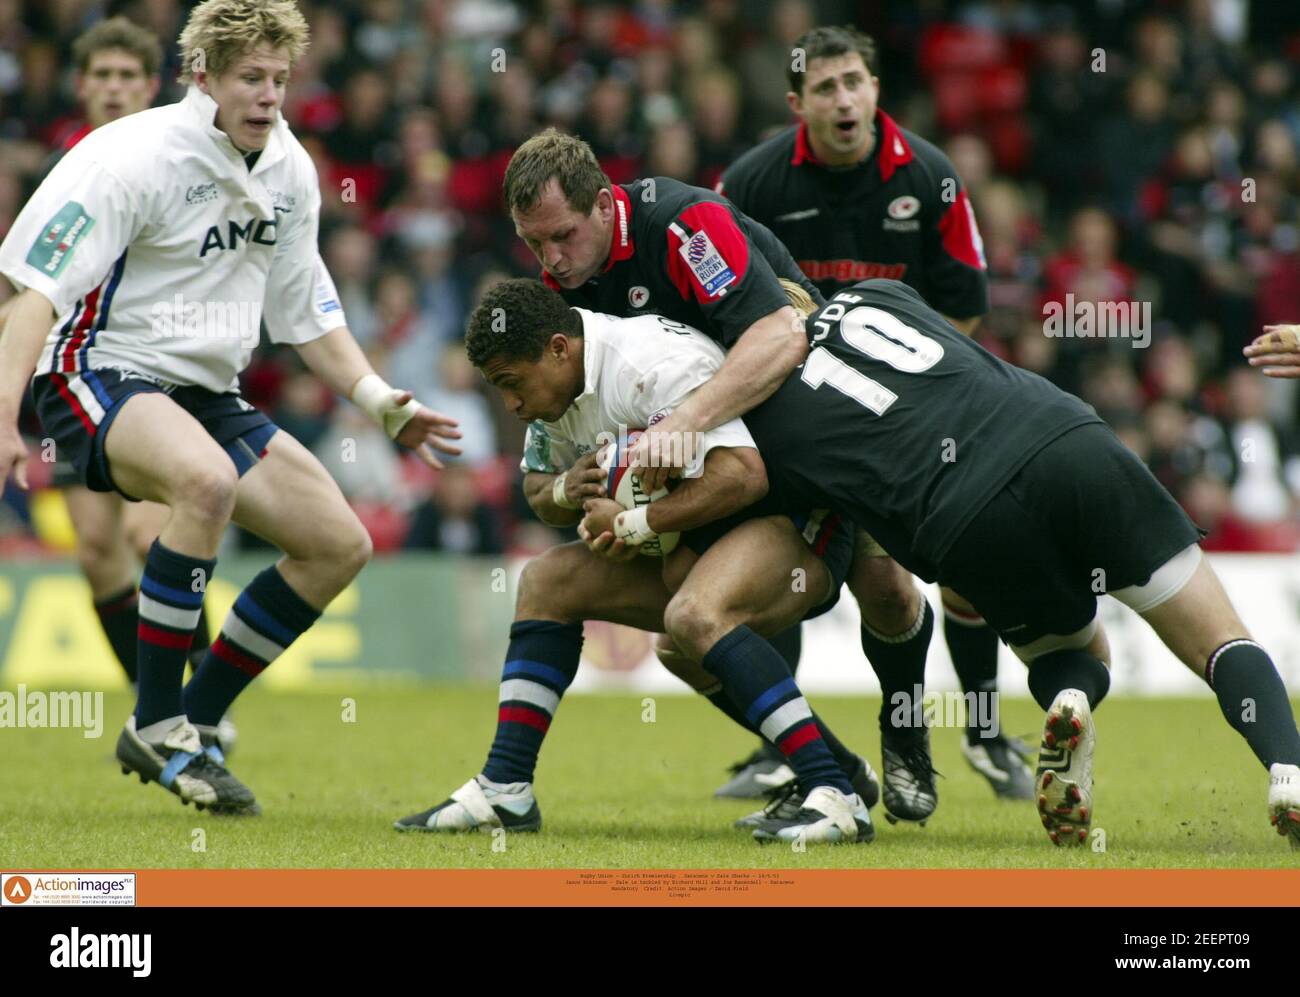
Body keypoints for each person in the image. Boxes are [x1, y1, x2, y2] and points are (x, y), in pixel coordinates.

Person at [0, 0, 460, 814]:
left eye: (280, 79)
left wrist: (381, 401)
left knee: (337, 543)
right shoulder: (126, 157)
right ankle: (160, 719)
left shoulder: (288, 170)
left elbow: (309, 314)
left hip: (209, 391)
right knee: (203, 484)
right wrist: (4, 415)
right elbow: (33, 296)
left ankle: (191, 721)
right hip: (95, 369)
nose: (269, 96)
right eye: (251, 77)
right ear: (200, 75)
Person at [665, 277, 1298, 847]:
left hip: (964, 520)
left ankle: (1071, 696)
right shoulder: (879, 293)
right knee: (1218, 640)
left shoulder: (767, 427)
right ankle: (1288, 771)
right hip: (1063, 439)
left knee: (1067, 654)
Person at [504, 128, 938, 819]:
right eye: (534, 245)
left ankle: (907, 732)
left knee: (885, 585)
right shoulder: (565, 294)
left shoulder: (684, 228)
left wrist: (683, 426)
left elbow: (778, 335)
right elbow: (559, 431)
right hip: (720, 450)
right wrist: (580, 480)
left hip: (808, 422)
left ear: (603, 202)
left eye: (562, 235)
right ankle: (831, 768)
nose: (551, 259)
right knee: (685, 641)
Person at [395, 278, 877, 845]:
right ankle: (505, 790)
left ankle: (835, 795)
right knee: (551, 583)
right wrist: (567, 492)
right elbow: (535, 491)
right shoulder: (551, 395)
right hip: (696, 538)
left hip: (794, 520)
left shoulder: (650, 364)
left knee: (695, 619)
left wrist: (634, 523)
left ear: (558, 348)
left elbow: (744, 475)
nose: (511, 404)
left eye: (511, 384)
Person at [717, 24, 1031, 806]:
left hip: (908, 418)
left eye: (854, 81)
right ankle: (781, 746)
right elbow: (714, 299)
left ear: (876, 89)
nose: (844, 99)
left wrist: (920, 402)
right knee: (768, 566)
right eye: (825, 88)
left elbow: (964, 312)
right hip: (789, 415)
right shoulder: (753, 184)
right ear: (797, 104)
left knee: (942, 572)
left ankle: (982, 732)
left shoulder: (931, 178)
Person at [0, 17, 232, 735]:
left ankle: (197, 707)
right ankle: (156, 709)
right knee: (98, 552)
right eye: (100, 76)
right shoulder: (67, 168)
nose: (113, 87)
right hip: (65, 373)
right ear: (81, 87)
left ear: (150, 86)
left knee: (145, 534)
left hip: (150, 374)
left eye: (127, 76)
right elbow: (29, 280)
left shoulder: (179, 163)